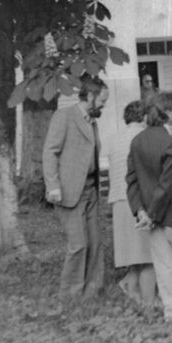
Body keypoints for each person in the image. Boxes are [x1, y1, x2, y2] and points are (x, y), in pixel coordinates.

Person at [126, 91, 172, 323]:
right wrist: (152, 214)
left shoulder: (136, 141)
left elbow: (131, 180)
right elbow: (167, 184)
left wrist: (141, 211)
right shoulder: (170, 143)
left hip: (149, 215)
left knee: (163, 264)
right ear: (165, 113)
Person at [43, 77, 109, 300]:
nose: (104, 105)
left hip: (91, 191)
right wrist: (53, 186)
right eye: (102, 100)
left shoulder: (92, 121)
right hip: (70, 192)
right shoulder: (64, 116)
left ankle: (92, 291)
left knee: (95, 243)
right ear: (90, 96)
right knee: (79, 244)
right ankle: (70, 296)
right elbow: (50, 152)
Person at [107, 100, 156, 308]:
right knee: (150, 255)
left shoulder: (115, 138)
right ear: (144, 117)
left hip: (118, 200)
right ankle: (148, 303)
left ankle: (130, 284)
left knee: (136, 252)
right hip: (138, 201)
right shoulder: (144, 137)